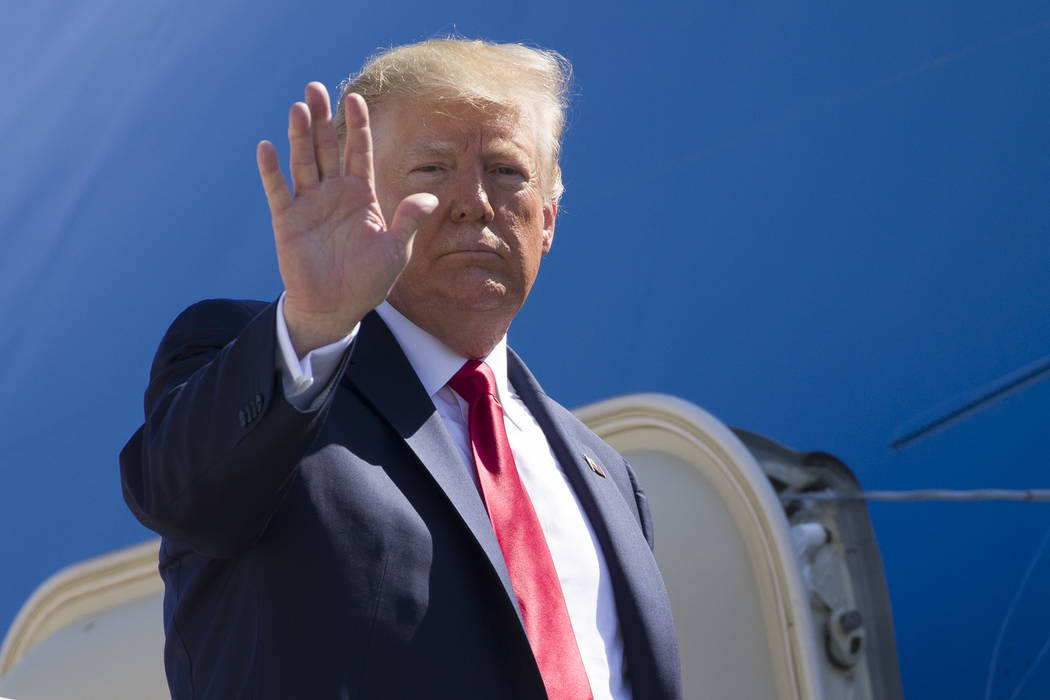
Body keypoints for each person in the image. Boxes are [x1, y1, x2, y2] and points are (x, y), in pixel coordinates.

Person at [120, 38, 681, 700]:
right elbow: (184, 498)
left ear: (549, 221)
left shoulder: (606, 474)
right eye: (432, 169)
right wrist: (313, 322)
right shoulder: (277, 367)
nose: (473, 200)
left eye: (507, 170)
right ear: (364, 202)